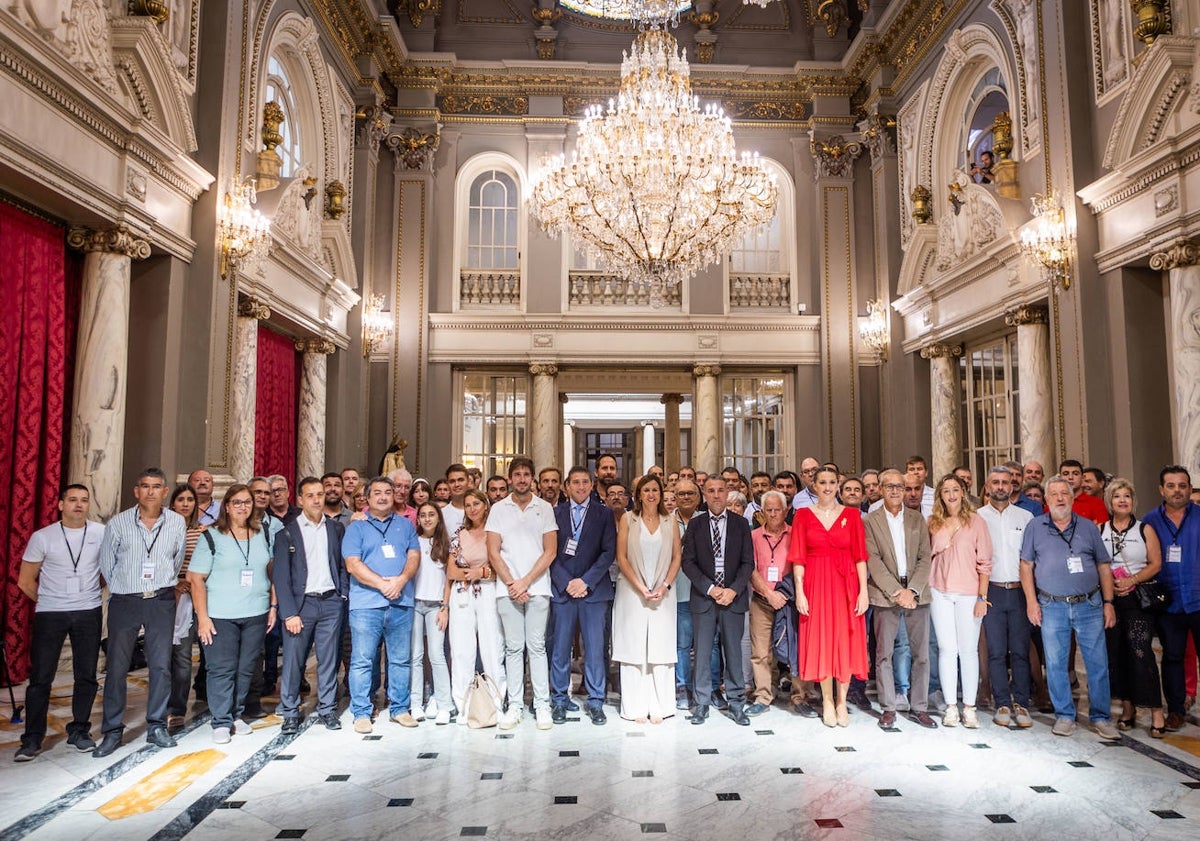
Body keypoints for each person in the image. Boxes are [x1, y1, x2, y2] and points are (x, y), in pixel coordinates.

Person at [95, 467, 187, 757]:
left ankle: (157, 725)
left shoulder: (176, 523)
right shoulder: (118, 523)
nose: (150, 491)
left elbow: (176, 560)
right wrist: (129, 586)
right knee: (117, 668)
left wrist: (158, 584)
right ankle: (111, 730)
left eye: (156, 486)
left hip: (160, 600)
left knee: (160, 666)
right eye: (144, 486)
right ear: (136, 491)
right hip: (125, 600)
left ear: (164, 491)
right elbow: (107, 565)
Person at [1020, 476, 1119, 739]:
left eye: (1064, 493)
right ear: (1046, 499)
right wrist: (1031, 602)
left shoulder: (1088, 528)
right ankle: (1064, 715)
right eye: (1054, 494)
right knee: (1055, 663)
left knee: (1097, 663)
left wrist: (1109, 603)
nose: (1060, 498)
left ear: (1072, 498)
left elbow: (1103, 566)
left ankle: (1101, 716)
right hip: (1051, 605)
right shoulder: (1034, 527)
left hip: (1089, 604)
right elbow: (1026, 566)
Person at [15, 485, 104, 761]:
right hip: (50, 613)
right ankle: (32, 738)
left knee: (86, 675)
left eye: (84, 500)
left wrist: (88, 593)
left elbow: (108, 572)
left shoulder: (102, 533)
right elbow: (25, 580)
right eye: (73, 500)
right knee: (41, 677)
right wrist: (49, 599)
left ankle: (79, 730)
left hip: (88, 610)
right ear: (60, 504)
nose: (79, 505)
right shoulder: (43, 537)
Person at [188, 484, 277, 744]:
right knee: (221, 669)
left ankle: (237, 713)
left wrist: (273, 606)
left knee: (246, 668)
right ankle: (221, 721)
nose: (242, 507)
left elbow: (271, 572)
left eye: (247, 502)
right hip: (220, 614)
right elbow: (195, 579)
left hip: (255, 612)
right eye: (236, 502)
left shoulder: (263, 534)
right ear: (226, 505)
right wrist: (203, 618)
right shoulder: (211, 536)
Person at [789, 467, 869, 727]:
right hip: (815, 583)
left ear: (838, 485)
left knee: (845, 640)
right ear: (813, 485)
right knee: (822, 640)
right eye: (821, 482)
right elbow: (798, 558)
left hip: (846, 584)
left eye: (831, 482)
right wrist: (800, 592)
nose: (826, 486)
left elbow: (860, 557)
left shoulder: (852, 515)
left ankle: (842, 701)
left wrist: (863, 592)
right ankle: (826, 700)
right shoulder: (802, 515)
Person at [342, 476, 421, 733]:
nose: (384, 496)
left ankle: (400, 708)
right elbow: (352, 564)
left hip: (401, 601)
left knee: (400, 660)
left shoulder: (405, 525)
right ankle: (362, 712)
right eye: (378, 492)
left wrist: (401, 580)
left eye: (388, 492)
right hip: (366, 605)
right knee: (363, 660)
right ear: (367, 496)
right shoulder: (356, 526)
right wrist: (383, 584)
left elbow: (414, 555)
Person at [486, 456, 558, 730]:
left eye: (527, 474)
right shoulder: (498, 509)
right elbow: (493, 551)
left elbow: (550, 550)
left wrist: (525, 581)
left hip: (538, 587)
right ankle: (515, 705)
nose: (522, 479)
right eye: (517, 474)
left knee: (537, 647)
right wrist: (512, 583)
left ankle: (542, 705)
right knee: (514, 648)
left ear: (532, 478)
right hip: (507, 590)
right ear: (510, 478)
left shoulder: (545, 508)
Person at [273, 477, 348, 735]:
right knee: (294, 661)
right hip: (301, 605)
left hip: (330, 602)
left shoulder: (335, 529)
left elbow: (340, 565)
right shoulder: (286, 532)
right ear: (300, 499)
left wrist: (342, 596)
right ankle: (291, 712)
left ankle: (327, 709)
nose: (317, 499)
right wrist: (289, 612)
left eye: (320, 494)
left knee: (328, 660)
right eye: (311, 495)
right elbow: (281, 577)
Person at [863, 470, 936, 730]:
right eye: (889, 486)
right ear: (880, 489)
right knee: (884, 654)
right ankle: (888, 708)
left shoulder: (918, 519)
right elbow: (873, 560)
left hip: (917, 594)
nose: (895, 491)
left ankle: (919, 707)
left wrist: (913, 590)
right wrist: (898, 592)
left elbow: (925, 558)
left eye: (899, 487)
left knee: (922, 655)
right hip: (886, 594)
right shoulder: (870, 521)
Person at [681, 475, 755, 726]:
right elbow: (687, 563)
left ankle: (736, 703)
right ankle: (701, 704)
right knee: (701, 653)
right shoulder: (696, 524)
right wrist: (711, 589)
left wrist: (733, 590)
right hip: (705, 597)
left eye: (720, 490)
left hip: (733, 598)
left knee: (733, 652)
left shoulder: (741, 524)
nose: (715, 495)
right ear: (704, 493)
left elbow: (748, 563)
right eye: (710, 490)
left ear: (727, 493)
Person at [550, 467, 616, 725]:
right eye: (575, 482)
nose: (580, 487)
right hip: (563, 591)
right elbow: (548, 552)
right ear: (567, 486)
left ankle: (596, 699)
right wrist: (567, 582)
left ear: (591, 485)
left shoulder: (604, 514)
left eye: (584, 482)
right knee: (560, 648)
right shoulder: (555, 514)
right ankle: (559, 699)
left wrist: (585, 581)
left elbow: (608, 551)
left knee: (595, 649)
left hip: (593, 591)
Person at [613, 474, 681, 723]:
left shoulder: (669, 520)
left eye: (655, 490)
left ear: (661, 494)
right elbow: (621, 557)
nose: (651, 494)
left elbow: (676, 557)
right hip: (633, 591)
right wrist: (641, 587)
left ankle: (660, 706)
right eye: (646, 490)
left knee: (660, 646)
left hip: (662, 594)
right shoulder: (627, 519)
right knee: (634, 646)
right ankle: (635, 707)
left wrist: (664, 586)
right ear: (638, 495)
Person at [927, 474, 992, 728]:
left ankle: (970, 707)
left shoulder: (976, 522)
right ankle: (951, 707)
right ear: (940, 496)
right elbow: (926, 556)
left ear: (963, 493)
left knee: (968, 651)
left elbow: (985, 562)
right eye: (946, 491)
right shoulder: (932, 522)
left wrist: (982, 598)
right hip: (939, 592)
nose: (951, 495)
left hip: (968, 593)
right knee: (946, 649)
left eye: (955, 490)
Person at [1101, 478, 1165, 737]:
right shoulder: (1099, 530)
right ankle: (1128, 708)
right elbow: (1098, 563)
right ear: (1110, 501)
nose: (1123, 500)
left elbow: (1156, 563)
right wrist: (1110, 587)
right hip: (1110, 599)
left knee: (1140, 651)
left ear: (1133, 501)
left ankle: (1156, 710)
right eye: (1117, 496)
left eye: (1127, 496)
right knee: (1116, 655)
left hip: (1138, 598)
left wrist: (1131, 580)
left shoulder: (1144, 529)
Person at [976, 466, 1035, 729]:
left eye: (1005, 482)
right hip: (993, 592)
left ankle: (1021, 702)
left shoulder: (1026, 517)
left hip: (1021, 591)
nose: (1000, 486)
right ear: (987, 487)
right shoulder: (976, 517)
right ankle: (1002, 701)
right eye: (995, 482)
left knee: (1020, 651)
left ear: (1012, 487)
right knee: (997, 651)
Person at [1143, 466, 1200, 732]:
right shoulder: (1149, 521)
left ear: (1189, 488)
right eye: (1171, 485)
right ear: (1161, 489)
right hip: (1168, 602)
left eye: (1182, 485)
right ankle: (1176, 710)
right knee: (1172, 657)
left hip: (1199, 600)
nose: (1177, 490)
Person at [444, 489, 506, 718]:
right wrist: (477, 572)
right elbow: (451, 571)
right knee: (461, 649)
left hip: (489, 592)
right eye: (468, 505)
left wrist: (482, 572)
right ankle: (463, 704)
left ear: (485, 505)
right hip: (462, 594)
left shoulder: (495, 531)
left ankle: (497, 701)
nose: (472, 509)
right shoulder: (459, 534)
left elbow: (500, 568)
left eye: (476, 504)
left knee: (492, 647)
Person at [746, 490, 798, 716]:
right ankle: (764, 695)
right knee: (760, 652)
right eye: (769, 510)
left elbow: (800, 566)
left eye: (778, 509)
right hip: (762, 599)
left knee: (796, 650)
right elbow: (751, 568)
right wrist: (769, 593)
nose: (774, 514)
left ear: (786, 510)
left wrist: (784, 595)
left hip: (790, 601)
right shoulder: (754, 536)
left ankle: (801, 696)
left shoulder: (796, 534)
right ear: (762, 512)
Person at [167, 484, 206, 729]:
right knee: (181, 656)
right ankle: (176, 708)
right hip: (175, 596)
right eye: (180, 499)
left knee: (208, 653)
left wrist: (193, 582)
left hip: (200, 594)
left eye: (190, 499)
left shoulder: (203, 532)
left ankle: (213, 699)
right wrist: (176, 583)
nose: (185, 503)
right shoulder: (164, 530)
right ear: (173, 504)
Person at [409, 502, 452, 724]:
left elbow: (449, 580)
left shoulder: (445, 544)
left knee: (436, 655)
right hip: (415, 605)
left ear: (438, 518)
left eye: (431, 515)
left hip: (436, 606)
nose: (427, 519)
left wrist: (445, 607)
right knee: (415, 656)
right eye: (423, 515)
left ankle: (445, 704)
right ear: (417, 519)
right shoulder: (412, 542)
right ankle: (416, 703)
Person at [672, 479, 700, 711]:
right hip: (679, 590)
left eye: (691, 493)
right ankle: (683, 685)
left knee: (707, 644)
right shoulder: (668, 520)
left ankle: (705, 688)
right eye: (681, 493)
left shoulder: (707, 519)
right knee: (682, 644)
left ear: (698, 497)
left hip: (704, 591)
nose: (686, 497)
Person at [1059, 459, 1108, 525]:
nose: (1070, 477)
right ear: (1059, 478)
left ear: (1082, 478)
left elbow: (1101, 532)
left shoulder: (1097, 503)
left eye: (1075, 474)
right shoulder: (1052, 502)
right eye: (1066, 474)